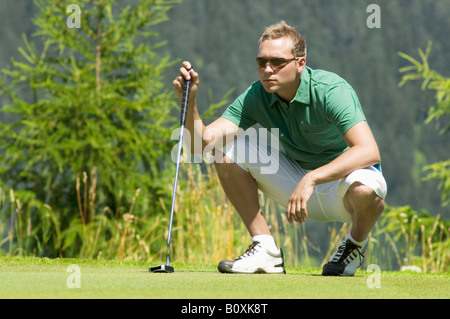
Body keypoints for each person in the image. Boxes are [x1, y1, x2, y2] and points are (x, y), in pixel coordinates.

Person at [172, 21, 387, 276]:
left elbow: (369, 151)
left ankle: (354, 245)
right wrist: (190, 102)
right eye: (262, 62)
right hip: (295, 182)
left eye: (277, 62)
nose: (267, 70)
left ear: (300, 63)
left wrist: (312, 178)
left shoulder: (331, 90)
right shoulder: (257, 95)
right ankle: (266, 249)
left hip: (343, 186)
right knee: (224, 149)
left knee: (365, 190)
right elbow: (201, 144)